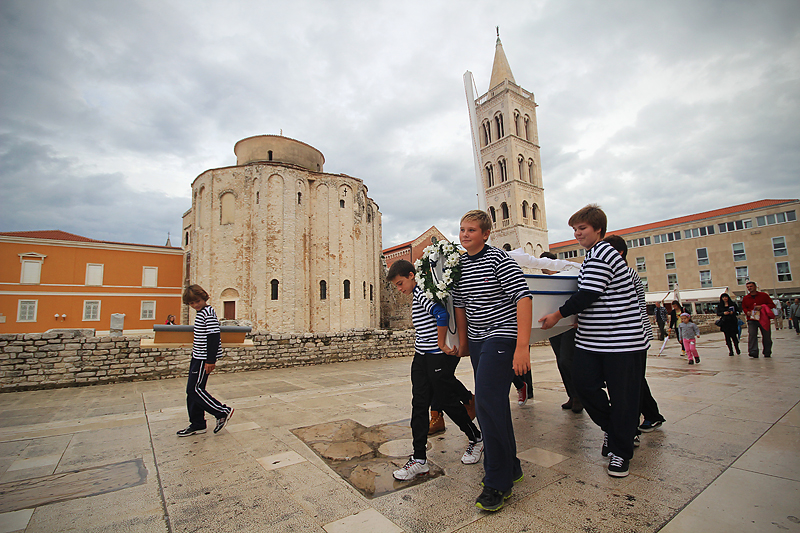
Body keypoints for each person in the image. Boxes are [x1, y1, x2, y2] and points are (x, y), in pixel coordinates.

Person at [540, 205, 648, 479]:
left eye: (582, 228)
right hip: (593, 339)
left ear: (598, 230)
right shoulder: (591, 256)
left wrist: (557, 315)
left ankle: (621, 452)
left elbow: (589, 293)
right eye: (574, 229)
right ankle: (616, 431)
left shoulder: (603, 253)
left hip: (621, 340)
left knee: (623, 397)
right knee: (585, 385)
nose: (577, 233)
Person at [453, 209, 532, 512]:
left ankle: (497, 483)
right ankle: (511, 466)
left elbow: (523, 298)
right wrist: (462, 342)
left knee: (485, 402)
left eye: (471, 230)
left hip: (502, 334)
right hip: (476, 338)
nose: (465, 234)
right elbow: (460, 305)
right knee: (494, 404)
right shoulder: (459, 265)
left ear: (485, 234)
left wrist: (522, 347)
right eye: (462, 230)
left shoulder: (499, 259)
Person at [386, 260, 483, 481]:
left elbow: (441, 315)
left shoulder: (422, 293)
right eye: (396, 286)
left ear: (412, 275)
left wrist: (440, 343)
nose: (400, 289)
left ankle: (476, 438)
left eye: (401, 283)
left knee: (445, 400)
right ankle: (419, 459)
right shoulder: (418, 293)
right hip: (421, 356)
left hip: (435, 356)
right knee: (419, 403)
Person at [602, 235, 665, 437]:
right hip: (630, 334)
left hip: (633, 334)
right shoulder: (622, 273)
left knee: (631, 381)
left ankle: (639, 421)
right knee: (634, 379)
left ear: (619, 253)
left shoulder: (626, 274)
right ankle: (649, 415)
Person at [177, 284, 234, 437]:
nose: (195, 305)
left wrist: (210, 360)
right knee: (193, 391)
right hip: (197, 356)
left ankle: (222, 411)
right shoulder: (201, 313)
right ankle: (198, 423)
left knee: (194, 389)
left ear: (203, 298)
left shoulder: (208, 313)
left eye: (197, 301)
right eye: (191, 303)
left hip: (203, 358)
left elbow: (214, 336)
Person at [539, 251, 581, 414]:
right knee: (560, 361)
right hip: (554, 326)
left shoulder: (567, 276)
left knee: (566, 360)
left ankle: (578, 396)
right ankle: (572, 395)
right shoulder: (548, 280)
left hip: (569, 325)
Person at [742, 281, 776, 358]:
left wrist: (762, 306)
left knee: (766, 336)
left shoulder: (764, 295)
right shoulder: (745, 298)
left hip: (763, 318)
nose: (749, 288)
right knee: (752, 335)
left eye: (751, 286)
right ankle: (753, 351)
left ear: (755, 287)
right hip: (752, 319)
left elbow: (772, 305)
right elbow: (744, 307)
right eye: (748, 287)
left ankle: (767, 351)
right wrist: (747, 312)